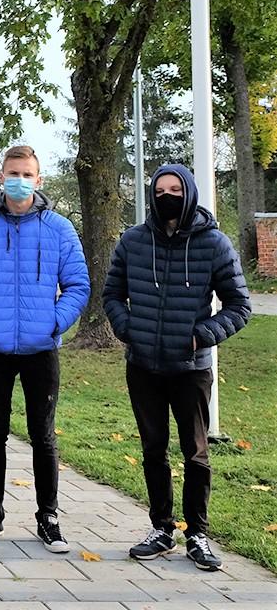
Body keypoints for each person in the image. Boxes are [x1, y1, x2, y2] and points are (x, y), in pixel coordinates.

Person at [104, 164, 251, 571]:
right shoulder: (133, 242)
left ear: (189, 193)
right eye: (160, 189)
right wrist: (127, 328)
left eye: (175, 189)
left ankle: (198, 534)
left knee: (196, 453)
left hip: (191, 368)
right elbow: (112, 293)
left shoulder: (215, 243)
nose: (167, 195)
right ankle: (162, 528)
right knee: (153, 449)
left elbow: (240, 305)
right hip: (144, 365)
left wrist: (201, 335)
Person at [0, 145, 89, 552]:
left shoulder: (59, 229)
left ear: (38, 180)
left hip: (40, 348)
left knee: (42, 435)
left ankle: (48, 516)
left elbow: (78, 285)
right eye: (13, 173)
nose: (20, 180)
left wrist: (55, 322)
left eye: (27, 174)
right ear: (0, 176)